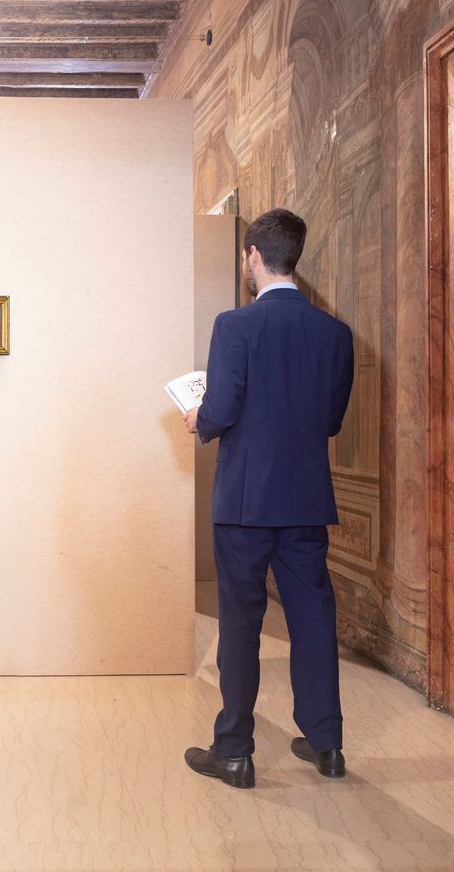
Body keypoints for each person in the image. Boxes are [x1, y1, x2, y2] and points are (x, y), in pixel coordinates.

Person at [182, 208, 354, 790]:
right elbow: (331, 421)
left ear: (253, 255)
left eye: (244, 257)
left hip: (244, 505)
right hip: (305, 502)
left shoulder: (234, 327)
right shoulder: (335, 334)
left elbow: (221, 410)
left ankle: (233, 750)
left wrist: (198, 417)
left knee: (240, 623)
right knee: (314, 619)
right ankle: (327, 745)